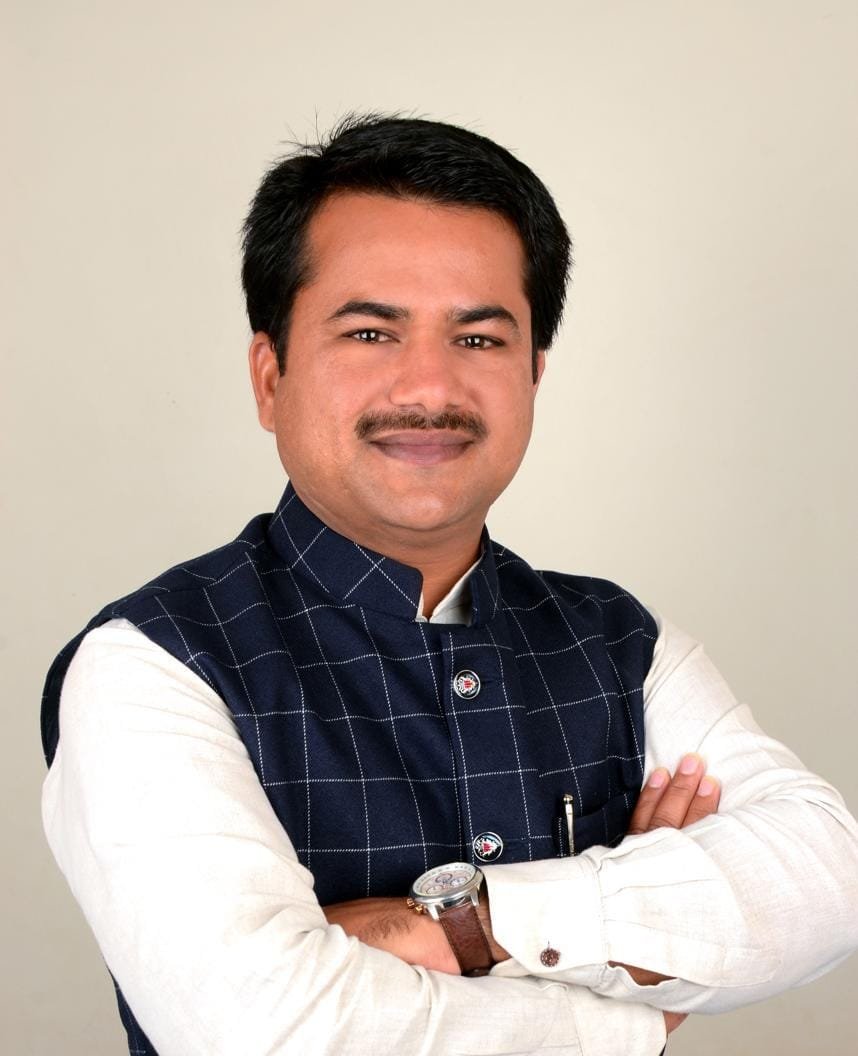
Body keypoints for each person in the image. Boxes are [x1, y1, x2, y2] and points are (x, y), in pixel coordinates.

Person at [41, 114, 858, 1056]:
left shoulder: (620, 641)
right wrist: (635, 996)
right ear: (270, 377)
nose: (429, 387)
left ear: (534, 375)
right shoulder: (151, 665)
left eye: (478, 339)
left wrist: (472, 924)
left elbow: (828, 877)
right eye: (370, 332)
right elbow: (265, 1029)